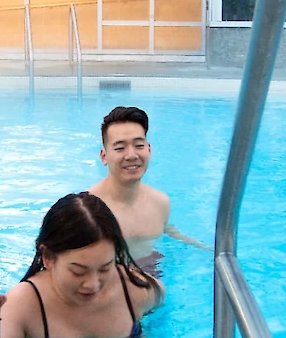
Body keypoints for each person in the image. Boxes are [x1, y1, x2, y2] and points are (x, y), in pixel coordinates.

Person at [0, 192, 163, 338]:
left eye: (105, 268)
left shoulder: (133, 287)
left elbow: (165, 309)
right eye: (79, 271)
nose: (93, 284)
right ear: (48, 258)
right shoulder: (25, 304)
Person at [86, 105, 205, 271]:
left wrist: (206, 252)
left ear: (149, 150)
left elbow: (169, 232)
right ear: (104, 156)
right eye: (120, 148)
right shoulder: (88, 209)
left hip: (150, 276)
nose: (132, 155)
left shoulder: (160, 202)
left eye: (139, 145)